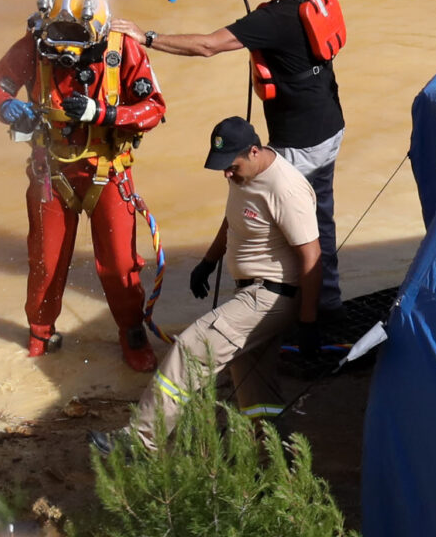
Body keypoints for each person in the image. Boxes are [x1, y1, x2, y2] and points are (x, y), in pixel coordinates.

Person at [124, 0, 348, 312]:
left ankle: (309, 311)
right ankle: (324, 301)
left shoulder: (275, 19)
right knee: (316, 214)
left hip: (300, 141)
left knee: (284, 221)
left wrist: (145, 37)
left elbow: (208, 45)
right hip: (328, 125)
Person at [0, 0, 167, 371]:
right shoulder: (34, 46)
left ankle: (132, 332)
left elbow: (154, 109)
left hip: (107, 171)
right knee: (45, 262)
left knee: (119, 264)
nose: (66, 49)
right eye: (59, 36)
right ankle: (40, 332)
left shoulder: (123, 50)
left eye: (76, 37)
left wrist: (105, 113)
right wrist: (7, 107)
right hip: (51, 173)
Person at [128, 117, 322, 442]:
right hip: (250, 291)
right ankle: (276, 454)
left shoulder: (285, 188)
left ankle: (140, 440)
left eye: (232, 166)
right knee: (255, 387)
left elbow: (312, 257)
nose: (227, 174)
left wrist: (309, 322)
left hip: (271, 297)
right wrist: (208, 261)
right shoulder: (243, 176)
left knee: (192, 349)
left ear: (254, 151)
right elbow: (233, 218)